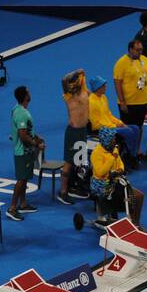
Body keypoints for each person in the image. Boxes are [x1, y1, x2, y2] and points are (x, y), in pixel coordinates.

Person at [91, 127, 144, 227]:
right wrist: (112, 158)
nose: (114, 140)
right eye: (112, 139)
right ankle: (124, 220)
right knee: (129, 198)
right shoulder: (96, 154)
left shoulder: (114, 149)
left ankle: (135, 223)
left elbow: (121, 165)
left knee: (139, 196)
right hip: (103, 184)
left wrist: (119, 170)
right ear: (106, 140)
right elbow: (101, 171)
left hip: (116, 181)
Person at [8, 86, 46, 222]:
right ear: (25, 97)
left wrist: (37, 137)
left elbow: (24, 130)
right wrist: (37, 144)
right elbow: (23, 136)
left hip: (26, 151)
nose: (30, 93)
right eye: (28, 92)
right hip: (22, 151)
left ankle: (23, 203)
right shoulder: (21, 113)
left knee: (24, 178)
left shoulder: (17, 109)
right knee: (21, 180)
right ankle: (12, 208)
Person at [86, 78, 141, 162]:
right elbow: (96, 125)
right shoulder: (92, 102)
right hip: (101, 129)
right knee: (128, 131)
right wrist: (115, 126)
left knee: (135, 128)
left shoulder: (103, 97)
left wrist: (120, 123)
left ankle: (133, 154)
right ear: (98, 88)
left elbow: (109, 115)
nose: (106, 87)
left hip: (109, 126)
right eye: (104, 85)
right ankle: (130, 157)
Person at [113, 39, 147, 146]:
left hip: (142, 102)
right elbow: (117, 83)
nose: (140, 52)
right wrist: (122, 102)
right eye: (137, 50)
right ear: (130, 49)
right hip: (128, 103)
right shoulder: (121, 63)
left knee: (139, 127)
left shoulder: (145, 59)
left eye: (141, 50)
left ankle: (137, 149)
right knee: (127, 129)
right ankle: (126, 150)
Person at [60, 68, 90, 206]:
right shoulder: (68, 97)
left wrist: (80, 74)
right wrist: (74, 73)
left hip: (82, 131)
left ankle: (75, 187)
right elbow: (63, 80)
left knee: (80, 161)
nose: (76, 84)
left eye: (78, 82)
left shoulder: (85, 92)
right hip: (73, 132)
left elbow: (83, 74)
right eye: (73, 83)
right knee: (68, 163)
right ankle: (63, 192)